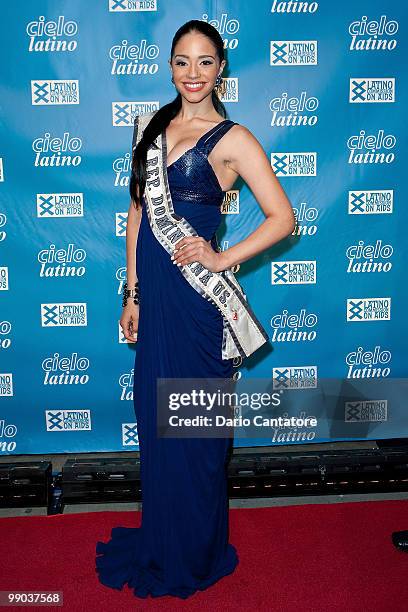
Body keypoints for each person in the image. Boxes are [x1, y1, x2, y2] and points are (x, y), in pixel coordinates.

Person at [95, 19, 295, 600]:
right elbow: (137, 213)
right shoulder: (151, 126)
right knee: (159, 429)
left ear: (221, 68)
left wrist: (223, 255)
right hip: (156, 300)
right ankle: (162, 540)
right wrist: (131, 291)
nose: (192, 74)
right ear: (169, 65)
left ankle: (197, 549)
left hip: (199, 303)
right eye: (182, 61)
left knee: (196, 432)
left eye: (205, 62)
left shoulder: (233, 137)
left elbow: (284, 219)